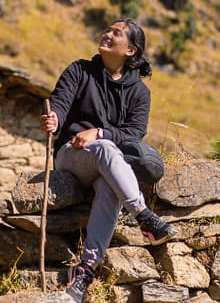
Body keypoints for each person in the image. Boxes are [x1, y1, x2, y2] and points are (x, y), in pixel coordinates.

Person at [40, 18, 177, 302]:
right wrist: (55, 118)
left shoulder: (139, 92)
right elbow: (61, 101)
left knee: (108, 186)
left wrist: (99, 132)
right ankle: (144, 216)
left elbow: (134, 134)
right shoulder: (80, 70)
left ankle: (85, 271)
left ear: (131, 50)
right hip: (71, 157)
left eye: (117, 33)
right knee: (104, 149)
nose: (107, 34)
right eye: (108, 30)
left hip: (107, 164)